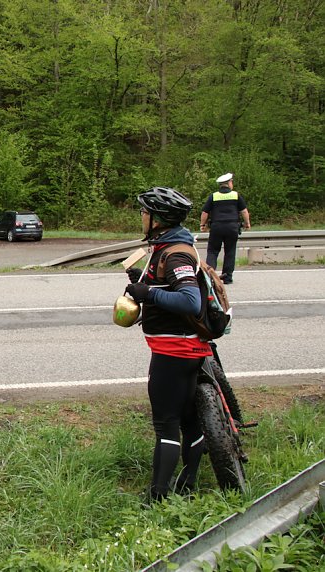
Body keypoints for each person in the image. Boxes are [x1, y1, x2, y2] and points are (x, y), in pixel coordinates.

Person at [124, 187, 212, 502]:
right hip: (182, 349)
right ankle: (187, 483)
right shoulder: (168, 246)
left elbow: (189, 300)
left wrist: (148, 294)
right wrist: (143, 280)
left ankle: (158, 497)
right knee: (188, 417)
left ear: (159, 219)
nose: (142, 217)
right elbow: (170, 285)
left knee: (166, 424)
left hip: (174, 351)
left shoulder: (175, 252)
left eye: (146, 213)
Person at [199, 173, 251, 284]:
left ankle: (210, 276)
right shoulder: (236, 195)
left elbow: (204, 212)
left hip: (216, 227)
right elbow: (244, 211)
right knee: (230, 251)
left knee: (212, 251)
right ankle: (227, 277)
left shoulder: (213, 196)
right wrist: (247, 223)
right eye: (232, 182)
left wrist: (202, 225)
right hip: (232, 227)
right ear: (229, 183)